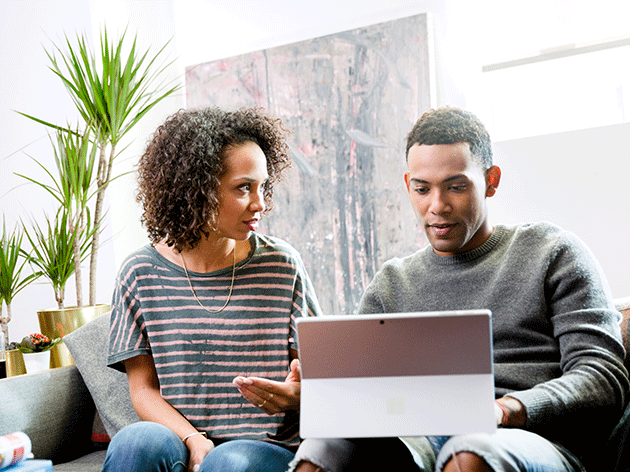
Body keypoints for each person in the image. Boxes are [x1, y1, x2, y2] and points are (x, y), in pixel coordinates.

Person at [289, 106, 629, 472]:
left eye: (456, 186)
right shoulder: (392, 284)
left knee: (469, 451)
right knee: (321, 450)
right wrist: (315, 398)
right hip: (418, 439)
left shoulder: (552, 252)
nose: (437, 206)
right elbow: (367, 401)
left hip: (529, 439)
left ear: (491, 181)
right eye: (422, 189)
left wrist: (507, 409)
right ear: (408, 186)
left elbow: (601, 376)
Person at [102, 107, 322, 472]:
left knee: (229, 463)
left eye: (263, 186)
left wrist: (297, 397)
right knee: (134, 443)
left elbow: (319, 377)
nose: (260, 203)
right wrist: (193, 439)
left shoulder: (282, 266)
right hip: (179, 437)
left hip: (262, 446)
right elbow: (143, 390)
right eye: (243, 188)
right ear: (196, 189)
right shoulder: (139, 273)